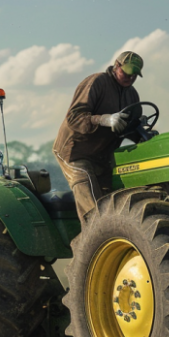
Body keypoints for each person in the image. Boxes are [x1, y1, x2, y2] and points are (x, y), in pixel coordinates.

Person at [53, 51, 143, 221]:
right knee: (91, 199)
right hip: (75, 150)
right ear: (117, 66)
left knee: (114, 199)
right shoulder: (97, 82)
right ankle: (93, 236)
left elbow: (133, 126)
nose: (130, 78)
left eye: (134, 75)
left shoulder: (132, 95)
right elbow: (74, 118)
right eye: (127, 73)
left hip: (102, 154)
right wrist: (104, 119)